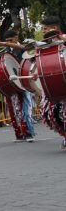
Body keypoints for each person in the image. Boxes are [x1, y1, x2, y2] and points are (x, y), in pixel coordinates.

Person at [0, 29, 35, 141]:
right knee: (13, 108)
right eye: (7, 41)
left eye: (11, 40)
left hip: (23, 81)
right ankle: (19, 133)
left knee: (25, 107)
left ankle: (29, 132)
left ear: (16, 37)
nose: (8, 42)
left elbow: (26, 49)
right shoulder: (5, 51)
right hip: (11, 82)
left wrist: (4, 43)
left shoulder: (24, 47)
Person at [38, 16, 66, 149]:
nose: (43, 31)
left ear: (54, 28)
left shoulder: (63, 38)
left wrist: (61, 39)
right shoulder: (45, 45)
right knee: (50, 114)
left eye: (45, 28)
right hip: (53, 83)